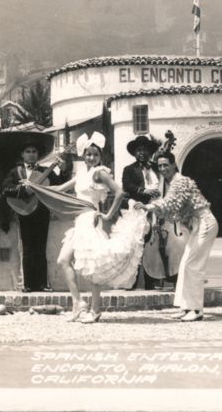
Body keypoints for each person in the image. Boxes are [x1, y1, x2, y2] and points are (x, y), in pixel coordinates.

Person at [32, 132, 147, 323]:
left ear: (100, 156)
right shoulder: (82, 173)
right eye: (88, 154)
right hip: (80, 221)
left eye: (95, 154)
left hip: (90, 217)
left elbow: (119, 192)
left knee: (93, 264)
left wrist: (109, 214)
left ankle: (95, 310)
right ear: (83, 155)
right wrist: (34, 187)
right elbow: (60, 190)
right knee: (63, 260)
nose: (91, 158)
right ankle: (78, 303)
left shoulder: (99, 172)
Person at [135, 151, 218, 322]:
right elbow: (173, 210)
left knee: (192, 266)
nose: (163, 168)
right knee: (185, 264)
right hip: (196, 224)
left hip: (205, 223)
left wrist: (150, 207)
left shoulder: (180, 181)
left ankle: (196, 309)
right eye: (160, 166)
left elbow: (170, 202)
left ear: (174, 165)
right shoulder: (173, 182)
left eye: (166, 165)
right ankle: (186, 306)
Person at [2, 141, 65, 292]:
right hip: (24, 211)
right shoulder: (16, 172)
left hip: (42, 211)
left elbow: (59, 186)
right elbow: (5, 189)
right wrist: (22, 190)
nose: (31, 154)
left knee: (41, 247)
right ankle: (27, 284)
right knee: (27, 247)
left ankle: (42, 283)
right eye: (28, 151)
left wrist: (62, 171)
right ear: (22, 154)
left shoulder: (46, 171)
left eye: (34, 151)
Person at [121, 135, 165, 290]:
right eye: (138, 150)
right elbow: (128, 186)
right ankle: (131, 281)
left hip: (157, 208)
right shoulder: (129, 169)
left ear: (149, 151)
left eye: (145, 149)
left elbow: (169, 176)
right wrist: (144, 191)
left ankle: (152, 280)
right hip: (139, 210)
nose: (141, 153)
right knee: (138, 244)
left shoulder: (157, 167)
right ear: (134, 152)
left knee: (154, 245)